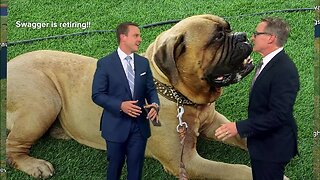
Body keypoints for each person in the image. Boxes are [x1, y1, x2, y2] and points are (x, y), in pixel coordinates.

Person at [215, 17, 300, 180]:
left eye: (256, 34)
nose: (252, 37)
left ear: (270, 38)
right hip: (263, 140)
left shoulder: (284, 70)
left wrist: (239, 127)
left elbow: (279, 115)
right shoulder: (269, 63)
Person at [92, 22, 160, 180]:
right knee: (114, 167)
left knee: (136, 170)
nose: (140, 39)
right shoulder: (105, 64)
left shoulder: (143, 63)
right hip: (115, 127)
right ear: (123, 37)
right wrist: (120, 105)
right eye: (136, 35)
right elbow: (97, 94)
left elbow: (151, 90)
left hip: (139, 127)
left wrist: (155, 105)